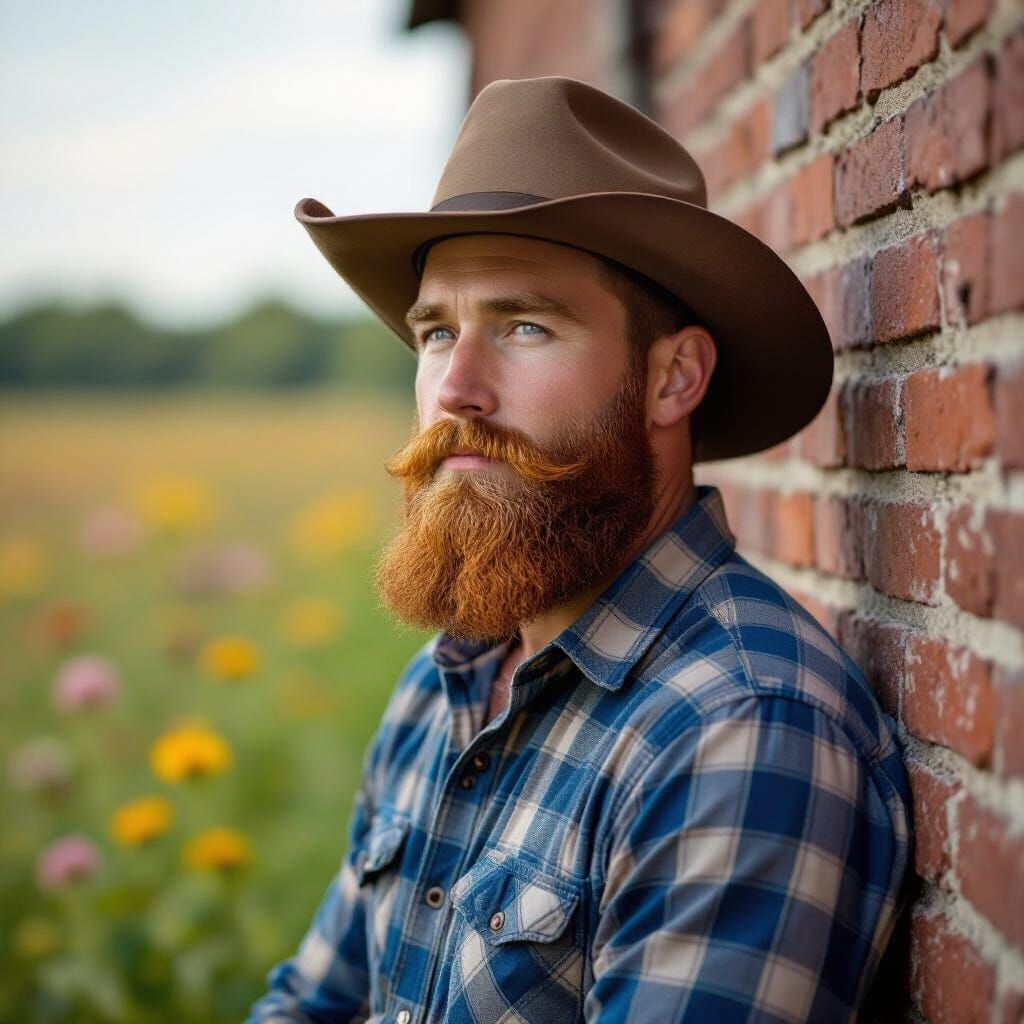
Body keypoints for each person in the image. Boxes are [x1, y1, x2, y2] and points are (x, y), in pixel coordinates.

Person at [245, 75, 913, 1024]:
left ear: (672, 376)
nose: (456, 391)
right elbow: (313, 1004)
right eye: (437, 331)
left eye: (524, 324)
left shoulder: (739, 726)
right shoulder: (448, 684)